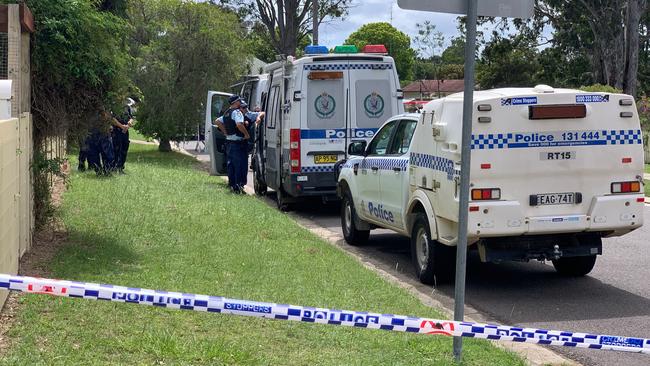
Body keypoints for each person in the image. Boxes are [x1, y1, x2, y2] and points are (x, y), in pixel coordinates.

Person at [215, 95, 250, 193]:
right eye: (239, 101)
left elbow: (217, 121)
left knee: (231, 165)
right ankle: (238, 186)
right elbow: (239, 125)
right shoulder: (237, 112)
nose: (240, 102)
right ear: (235, 102)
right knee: (240, 165)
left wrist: (225, 132)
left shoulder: (226, 113)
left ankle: (232, 185)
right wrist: (246, 134)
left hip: (229, 143)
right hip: (238, 144)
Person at [112, 99, 135, 174]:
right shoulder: (114, 106)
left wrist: (128, 124)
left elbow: (131, 118)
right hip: (116, 131)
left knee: (124, 150)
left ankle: (120, 168)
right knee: (116, 150)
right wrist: (122, 126)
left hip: (125, 131)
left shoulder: (127, 107)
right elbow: (112, 119)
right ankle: (114, 168)